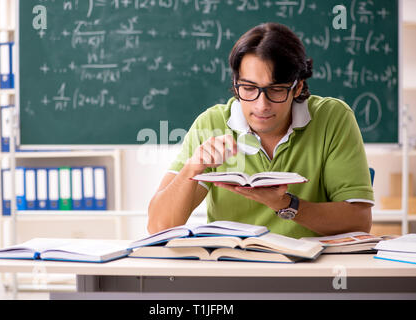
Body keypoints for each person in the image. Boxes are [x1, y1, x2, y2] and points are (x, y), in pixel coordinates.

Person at [147, 22, 374, 238]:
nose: (261, 105)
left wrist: (284, 204)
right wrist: (192, 167)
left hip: (311, 271)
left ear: (298, 87)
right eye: (248, 88)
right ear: (236, 85)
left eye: (275, 90)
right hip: (232, 268)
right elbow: (159, 226)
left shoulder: (332, 118)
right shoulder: (211, 123)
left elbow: (359, 221)